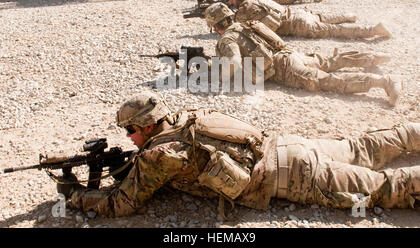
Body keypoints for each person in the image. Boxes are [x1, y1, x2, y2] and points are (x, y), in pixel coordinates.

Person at [58, 91, 420, 217]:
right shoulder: (186, 120)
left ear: (148, 125)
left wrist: (76, 196)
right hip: (287, 145)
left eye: (131, 130)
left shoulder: (160, 155)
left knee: (385, 189)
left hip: (293, 176)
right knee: (365, 147)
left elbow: (122, 205)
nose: (128, 137)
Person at [204, 2, 400, 106]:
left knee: (326, 80)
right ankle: (372, 58)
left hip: (284, 68)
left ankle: (383, 81)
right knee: (328, 62)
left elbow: (235, 63)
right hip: (290, 54)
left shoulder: (227, 39)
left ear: (215, 25)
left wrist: (218, 77)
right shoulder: (246, 24)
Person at [227, 0, 392, 40]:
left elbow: (247, 28)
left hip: (298, 25)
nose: (231, 2)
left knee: (335, 31)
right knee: (323, 18)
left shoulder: (246, 9)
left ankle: (373, 30)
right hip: (298, 14)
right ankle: (348, 16)